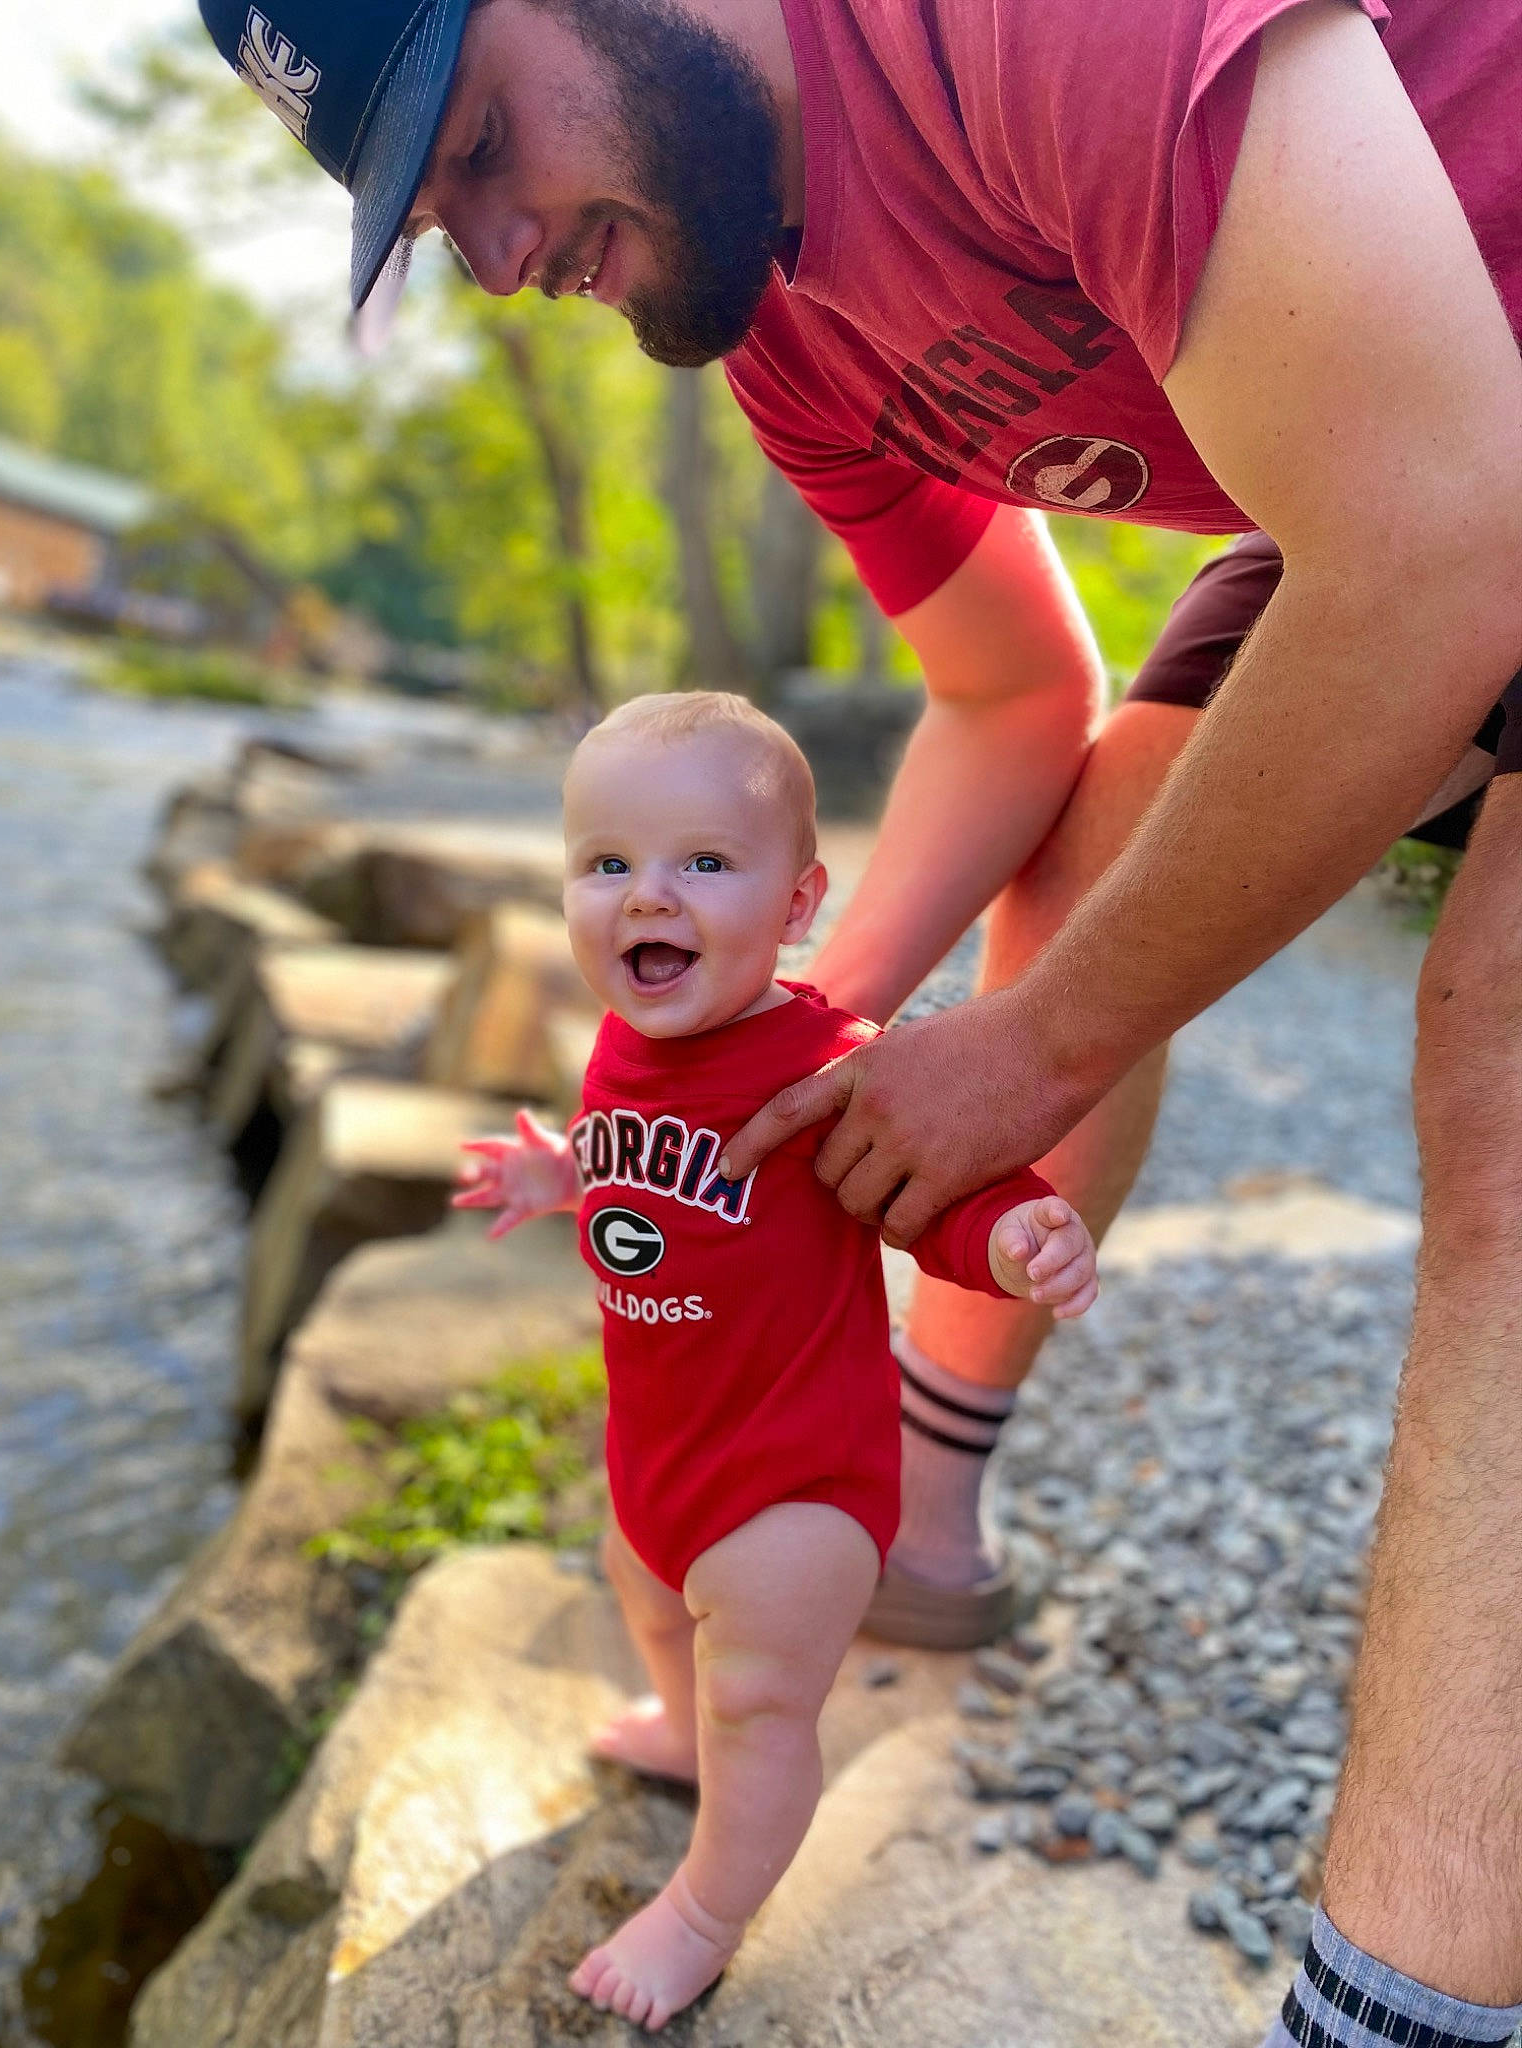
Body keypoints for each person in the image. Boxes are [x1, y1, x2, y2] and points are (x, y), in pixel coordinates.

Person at [197, 0, 1521, 2036]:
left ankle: (1401, 2007)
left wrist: (1033, 1052)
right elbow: (1013, 700)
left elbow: (1443, 535)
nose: (493, 251)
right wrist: (790, 1050)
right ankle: (925, 1499)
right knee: (1103, 860)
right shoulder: (778, 321)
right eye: (422, 219)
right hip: (1411, 441)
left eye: (470, 147)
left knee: (1493, 1072)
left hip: (1454, 454)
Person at [452, 691, 1097, 2029]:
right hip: (658, 1449)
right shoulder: (628, 1041)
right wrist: (557, 1171)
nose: (647, 896)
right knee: (646, 1601)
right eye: (607, 863)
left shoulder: (832, 1065)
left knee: (763, 1696)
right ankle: (681, 1734)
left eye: (702, 861)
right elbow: (646, 1171)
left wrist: (1014, 1227)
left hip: (795, 1478)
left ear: (799, 902)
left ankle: (704, 1909)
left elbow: (933, 1192)